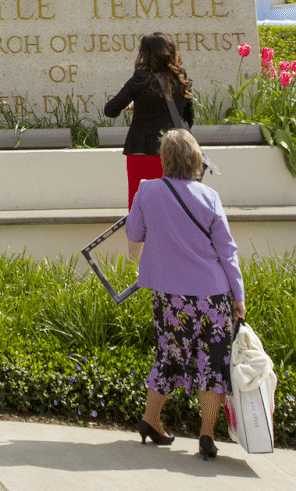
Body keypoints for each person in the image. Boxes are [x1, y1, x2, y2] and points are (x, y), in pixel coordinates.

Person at [126, 128, 246, 459]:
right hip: (212, 293)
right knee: (213, 361)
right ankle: (206, 434)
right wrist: (239, 297)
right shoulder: (210, 198)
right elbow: (227, 251)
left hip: (169, 294)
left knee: (169, 355)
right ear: (196, 160)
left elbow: (134, 234)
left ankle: (151, 419)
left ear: (164, 159)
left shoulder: (147, 192)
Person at [104, 33, 195, 209]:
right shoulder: (182, 80)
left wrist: (138, 106)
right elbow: (188, 120)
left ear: (145, 54)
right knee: (173, 208)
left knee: (141, 209)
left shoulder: (140, 78)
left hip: (143, 152)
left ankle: (140, 238)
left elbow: (110, 110)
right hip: (175, 155)